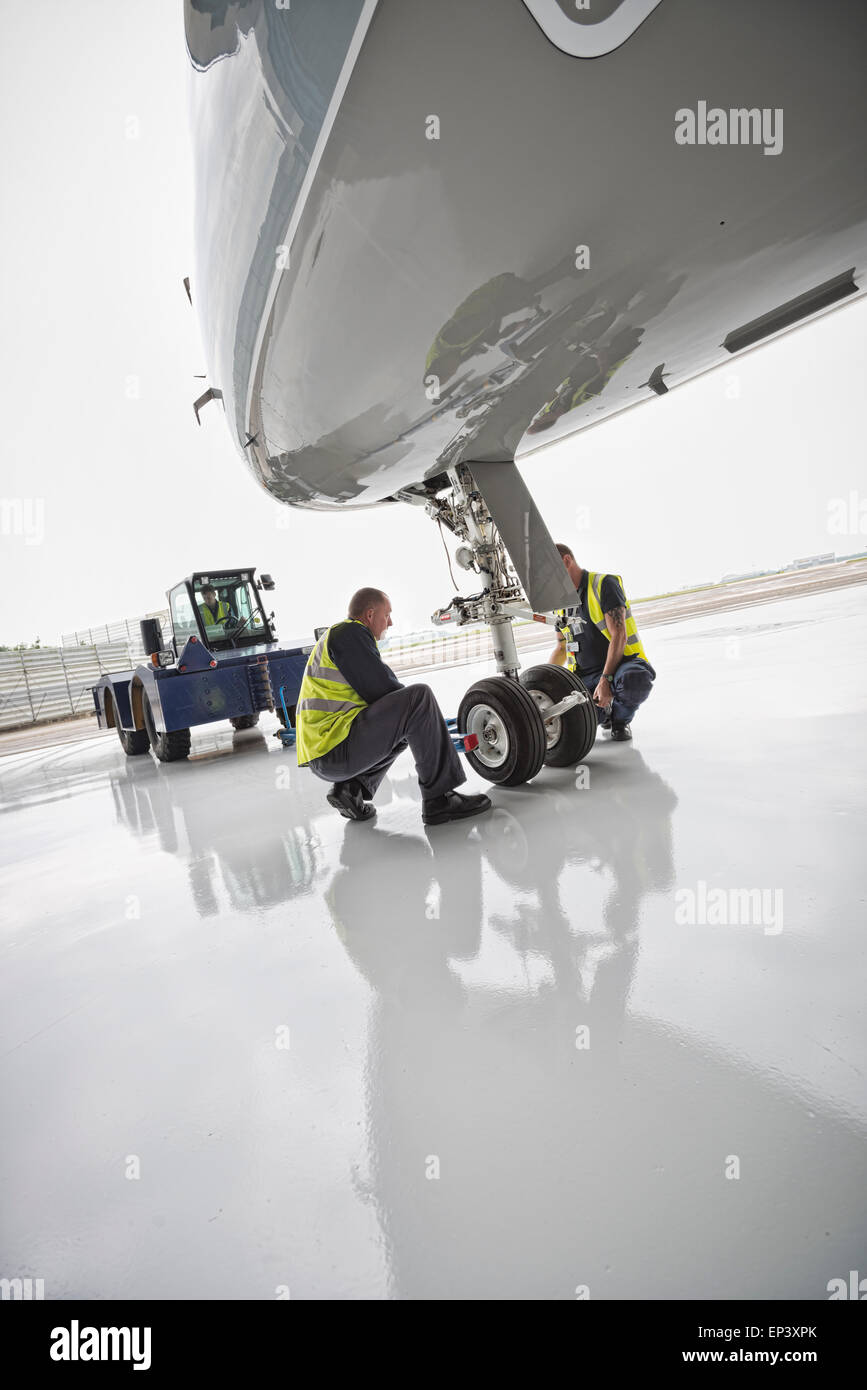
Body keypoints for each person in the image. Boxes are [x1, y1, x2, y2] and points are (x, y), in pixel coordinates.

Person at [296, 587, 492, 825]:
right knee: (420, 697)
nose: (390, 622)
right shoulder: (350, 633)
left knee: (406, 727)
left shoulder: (339, 636)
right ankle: (439, 799)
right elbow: (382, 690)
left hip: (327, 751)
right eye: (386, 615)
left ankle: (351, 789)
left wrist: (425, 724)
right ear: (369, 615)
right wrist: (428, 721)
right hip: (334, 748)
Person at [549, 544, 655, 741]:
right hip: (583, 676)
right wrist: (543, 682)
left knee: (635, 680)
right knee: (563, 715)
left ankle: (620, 720)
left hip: (621, 666)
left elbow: (619, 635)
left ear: (566, 561)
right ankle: (602, 713)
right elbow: (562, 647)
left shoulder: (603, 584)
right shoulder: (560, 604)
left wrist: (605, 680)